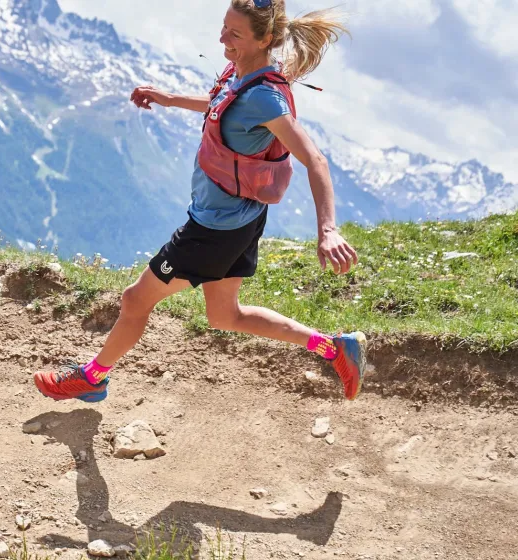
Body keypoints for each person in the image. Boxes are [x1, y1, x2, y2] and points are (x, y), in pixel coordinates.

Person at [34, 0, 367, 404]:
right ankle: (335, 349)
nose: (223, 38)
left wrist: (327, 229)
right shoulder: (240, 71)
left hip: (215, 228)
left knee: (135, 300)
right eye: (224, 27)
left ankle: (93, 376)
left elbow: (315, 159)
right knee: (226, 315)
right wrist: (169, 99)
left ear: (265, 39)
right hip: (239, 219)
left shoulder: (266, 98)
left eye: (235, 33)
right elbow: (221, 106)